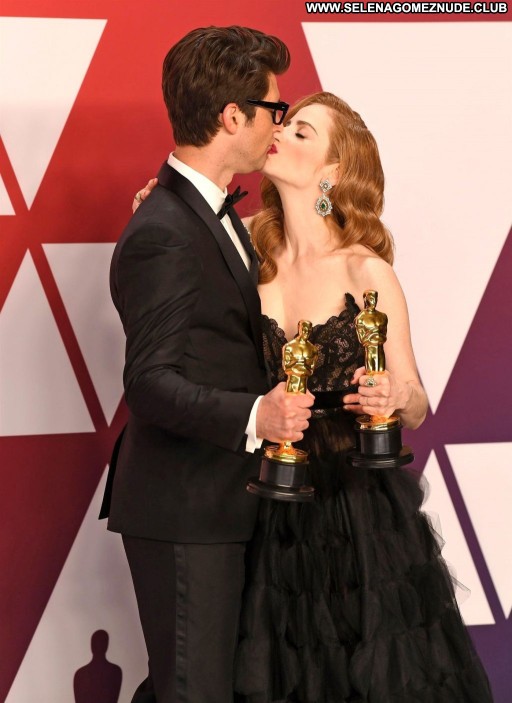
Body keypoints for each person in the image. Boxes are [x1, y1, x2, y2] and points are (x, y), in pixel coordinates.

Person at [135, 91, 493, 702]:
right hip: (259, 490)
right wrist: (160, 208)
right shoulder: (240, 248)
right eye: (286, 122)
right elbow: (174, 252)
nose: (280, 133)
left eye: (302, 132)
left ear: (333, 170)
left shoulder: (366, 271)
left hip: (354, 508)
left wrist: (392, 393)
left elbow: (416, 401)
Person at [100, 26, 314, 703]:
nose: (279, 124)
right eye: (274, 109)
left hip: (224, 503)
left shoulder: (198, 214)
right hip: (186, 508)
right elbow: (149, 383)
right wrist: (258, 414)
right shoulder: (166, 229)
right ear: (232, 117)